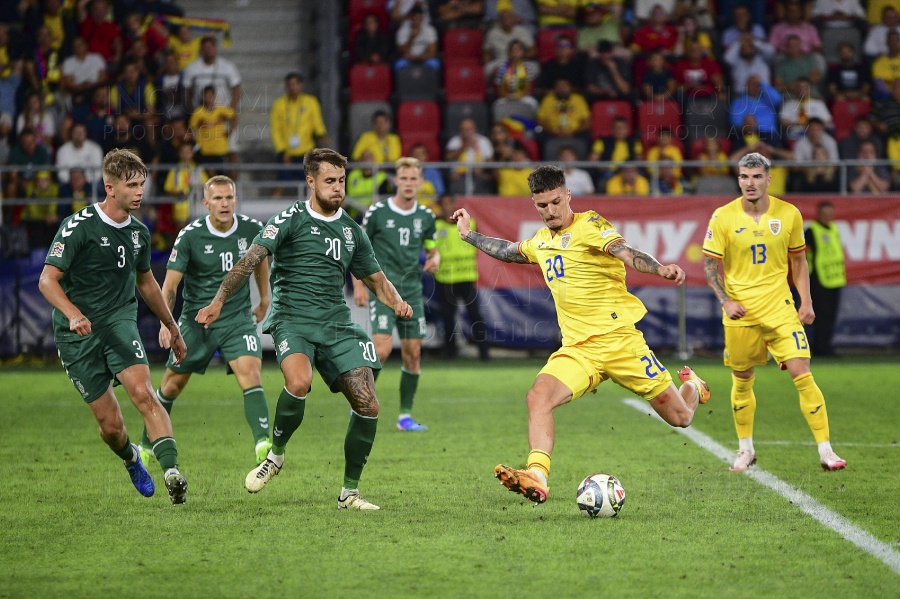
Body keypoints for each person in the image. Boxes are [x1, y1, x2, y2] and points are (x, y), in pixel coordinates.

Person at [452, 165, 709, 504]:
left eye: (556, 202)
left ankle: (693, 387)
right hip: (578, 349)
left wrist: (660, 268)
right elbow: (509, 251)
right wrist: (469, 235)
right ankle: (538, 476)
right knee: (538, 398)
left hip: (620, 342)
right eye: (542, 206)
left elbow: (627, 253)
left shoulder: (591, 225)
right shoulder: (541, 241)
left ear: (568, 195)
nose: (550, 211)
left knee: (681, 417)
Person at [196, 148, 412, 510]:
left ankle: (349, 494)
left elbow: (376, 279)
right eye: (330, 181)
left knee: (369, 405)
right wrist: (219, 299)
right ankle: (275, 457)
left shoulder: (351, 231)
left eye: (341, 181)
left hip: (336, 324)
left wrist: (396, 301)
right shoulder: (289, 219)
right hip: (292, 318)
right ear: (310, 182)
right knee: (298, 382)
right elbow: (251, 258)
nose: (338, 188)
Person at [38, 148, 189, 504]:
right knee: (112, 427)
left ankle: (172, 472)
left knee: (143, 393)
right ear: (110, 188)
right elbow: (47, 280)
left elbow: (147, 283)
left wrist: (173, 326)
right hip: (76, 335)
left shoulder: (139, 232)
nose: (140, 192)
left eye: (142, 184)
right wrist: (73, 313)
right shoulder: (78, 227)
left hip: (119, 321)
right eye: (132, 185)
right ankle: (132, 458)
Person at [702, 152, 846, 472]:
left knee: (802, 372)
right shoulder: (722, 217)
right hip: (740, 313)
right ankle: (745, 449)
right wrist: (725, 300)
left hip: (780, 308)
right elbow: (710, 266)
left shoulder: (789, 214)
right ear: (738, 179)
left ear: (769, 179)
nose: (749, 183)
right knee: (742, 380)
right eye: (743, 177)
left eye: (755, 177)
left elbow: (798, 261)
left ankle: (826, 450)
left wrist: (805, 301)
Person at [138, 176, 273, 466]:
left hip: (237, 319)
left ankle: (263, 442)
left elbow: (260, 260)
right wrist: (166, 323)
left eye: (229, 198)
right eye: (217, 199)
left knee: (250, 372)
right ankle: (146, 444)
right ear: (205, 203)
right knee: (172, 386)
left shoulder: (252, 229)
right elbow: (171, 286)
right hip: (196, 321)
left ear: (235, 200)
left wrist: (265, 298)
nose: (224, 204)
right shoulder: (190, 235)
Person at [352, 157, 439, 432]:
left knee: (413, 354)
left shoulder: (425, 216)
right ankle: (361, 403)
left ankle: (404, 417)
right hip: (383, 289)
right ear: (396, 181)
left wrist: (435, 258)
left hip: (412, 291)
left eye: (414, 178)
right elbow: (358, 248)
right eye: (404, 178)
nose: (409, 183)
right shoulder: (377, 212)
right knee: (381, 350)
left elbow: (432, 248)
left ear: (420, 181)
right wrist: (357, 284)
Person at [433, 194, 490, 360]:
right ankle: (450, 353)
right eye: (443, 204)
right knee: (448, 317)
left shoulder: (469, 224)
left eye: (449, 203)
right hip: (445, 279)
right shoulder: (434, 226)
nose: (447, 207)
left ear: (454, 204)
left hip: (466, 276)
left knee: (475, 315)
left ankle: (484, 353)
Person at [270, 72, 329, 197]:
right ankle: (271, 213)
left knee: (307, 185)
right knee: (281, 184)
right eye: (290, 84)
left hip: (306, 151)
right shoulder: (279, 104)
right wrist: (282, 151)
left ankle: (307, 213)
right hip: (287, 153)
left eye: (296, 84)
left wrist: (322, 134)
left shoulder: (310, 102)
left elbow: (317, 122)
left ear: (301, 85)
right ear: (286, 87)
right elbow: (276, 129)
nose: (293, 87)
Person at [804, 201, 846, 357]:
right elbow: (803, 253)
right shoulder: (812, 231)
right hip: (818, 279)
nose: (828, 217)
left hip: (835, 279)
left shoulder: (834, 229)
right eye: (824, 214)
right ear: (818, 214)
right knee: (820, 315)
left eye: (830, 214)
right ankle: (819, 348)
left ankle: (825, 345)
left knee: (831, 315)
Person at [189, 85, 235, 174]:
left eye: (211, 95)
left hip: (219, 148)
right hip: (204, 149)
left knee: (219, 173)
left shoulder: (221, 110)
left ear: (214, 97)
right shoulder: (198, 112)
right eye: (207, 95)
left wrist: (230, 130)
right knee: (208, 174)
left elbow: (233, 116)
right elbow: (191, 128)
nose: (209, 98)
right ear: (203, 97)